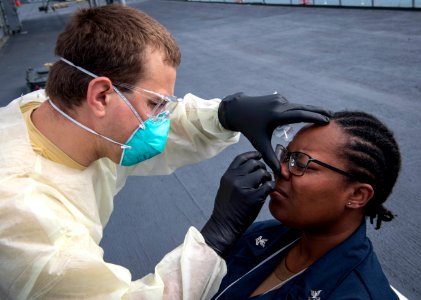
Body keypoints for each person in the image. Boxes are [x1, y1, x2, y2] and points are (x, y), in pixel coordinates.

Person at [0, 4, 331, 299]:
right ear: (101, 95)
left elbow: (171, 125)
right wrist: (216, 237)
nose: (162, 118)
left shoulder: (52, 110)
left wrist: (225, 115)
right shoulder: (24, 215)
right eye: (155, 103)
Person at [212, 111, 401, 299]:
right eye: (286, 156)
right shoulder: (257, 236)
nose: (280, 170)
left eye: (301, 163)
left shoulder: (358, 294)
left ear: (358, 195)